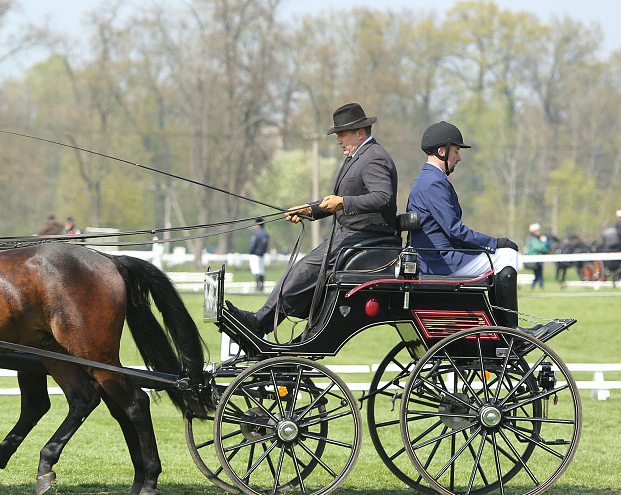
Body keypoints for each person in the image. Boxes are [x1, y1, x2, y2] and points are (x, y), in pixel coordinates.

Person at [225, 102, 399, 335]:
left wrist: (343, 202)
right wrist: (309, 209)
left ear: (360, 133)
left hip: (364, 238)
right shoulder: (358, 157)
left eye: (342, 135)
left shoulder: (373, 157)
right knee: (301, 270)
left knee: (304, 270)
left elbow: (382, 197)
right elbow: (339, 200)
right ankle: (270, 323)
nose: (338, 141)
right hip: (350, 237)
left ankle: (260, 323)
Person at [407, 121, 558, 338]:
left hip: (436, 258)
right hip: (441, 262)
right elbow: (454, 231)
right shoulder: (433, 183)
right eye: (456, 151)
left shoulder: (427, 180)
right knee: (507, 255)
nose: (458, 158)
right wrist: (495, 243)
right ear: (442, 151)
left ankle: (500, 326)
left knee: (501, 255)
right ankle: (510, 329)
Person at [247, 217, 269, 291]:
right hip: (262, 254)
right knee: (261, 270)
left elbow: (253, 244)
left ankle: (258, 286)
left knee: (256, 270)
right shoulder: (266, 234)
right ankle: (262, 286)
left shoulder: (256, 233)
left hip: (255, 254)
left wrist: (250, 252)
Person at [525, 223, 550, 289]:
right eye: (538, 230)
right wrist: (545, 244)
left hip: (537, 260)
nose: (539, 232)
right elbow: (539, 248)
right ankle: (537, 287)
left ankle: (537, 287)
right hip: (535, 260)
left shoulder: (534, 238)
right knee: (538, 275)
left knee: (538, 275)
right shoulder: (533, 239)